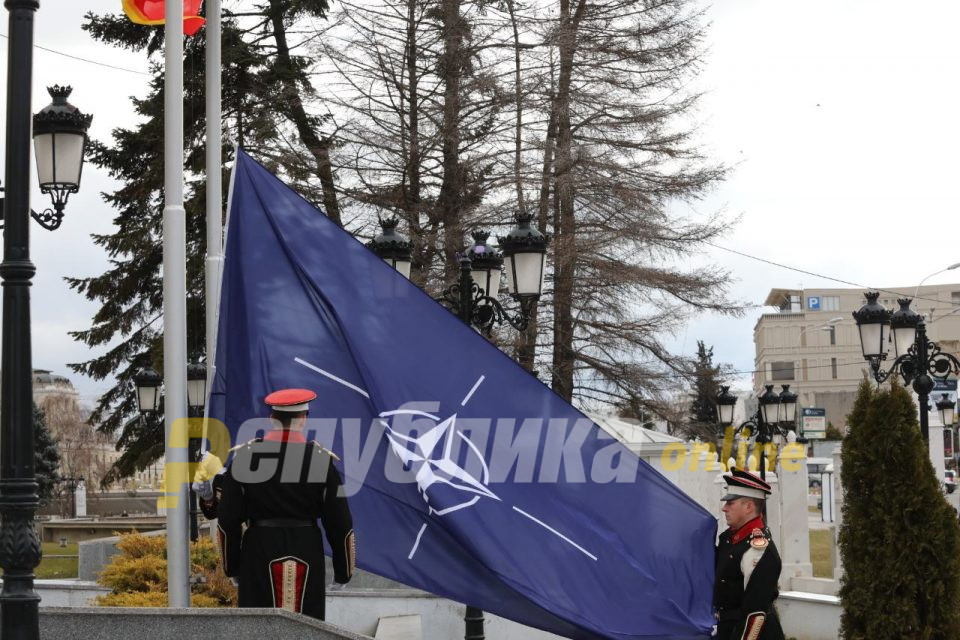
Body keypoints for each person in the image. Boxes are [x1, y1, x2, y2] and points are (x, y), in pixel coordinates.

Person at [217, 388, 355, 620]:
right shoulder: (320, 460)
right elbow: (340, 522)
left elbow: (228, 520)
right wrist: (343, 573)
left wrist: (233, 567)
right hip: (306, 548)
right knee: (306, 626)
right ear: (303, 420)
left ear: (272, 419)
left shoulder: (246, 457)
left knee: (256, 627)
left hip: (259, 551)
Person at [714, 467, 784, 640]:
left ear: (748, 507)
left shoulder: (760, 551)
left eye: (730, 503)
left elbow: (754, 615)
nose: (724, 508)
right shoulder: (729, 538)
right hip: (728, 629)